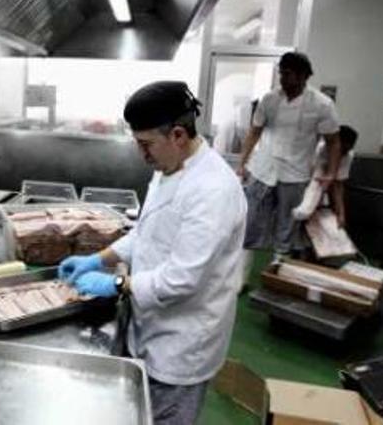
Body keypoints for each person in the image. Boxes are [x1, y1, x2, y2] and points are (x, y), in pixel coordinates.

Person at [58, 81, 247, 425]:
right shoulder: (169, 168)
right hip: (150, 325)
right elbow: (147, 233)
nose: (142, 155)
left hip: (183, 343)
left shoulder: (213, 190)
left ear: (177, 135)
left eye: (147, 145)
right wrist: (99, 258)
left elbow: (181, 280)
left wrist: (115, 284)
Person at [236, 52, 341, 257]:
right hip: (263, 170)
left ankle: (277, 269)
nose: (283, 79)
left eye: (288, 74)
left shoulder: (322, 104)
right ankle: (240, 275)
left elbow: (334, 142)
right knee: (251, 222)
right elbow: (254, 131)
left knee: (287, 227)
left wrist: (331, 173)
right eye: (281, 73)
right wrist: (242, 163)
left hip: (295, 174)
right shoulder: (269, 99)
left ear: (304, 76)